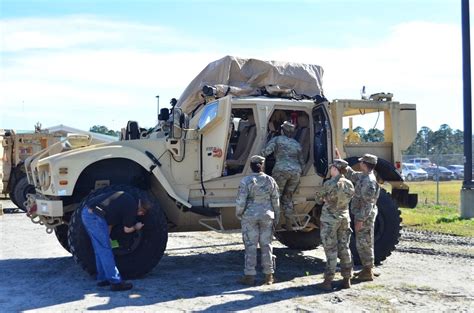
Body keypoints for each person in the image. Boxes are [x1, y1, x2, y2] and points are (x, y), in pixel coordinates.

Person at [81, 190, 150, 291]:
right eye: (141, 213)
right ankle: (115, 282)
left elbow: (110, 219)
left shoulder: (126, 197)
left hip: (88, 213)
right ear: (141, 209)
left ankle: (103, 278)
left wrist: (107, 236)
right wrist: (136, 226)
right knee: (105, 250)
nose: (140, 215)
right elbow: (127, 229)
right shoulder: (132, 207)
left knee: (100, 249)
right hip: (95, 216)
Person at [236, 155, 280, 286]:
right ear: (262, 165)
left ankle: (249, 276)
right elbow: (276, 200)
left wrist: (239, 214)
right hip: (267, 216)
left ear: (251, 166)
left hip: (250, 216)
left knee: (250, 245)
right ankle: (269, 276)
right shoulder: (270, 180)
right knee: (266, 245)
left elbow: (241, 201)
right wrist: (276, 215)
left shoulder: (246, 181)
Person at [337, 151, 380, 281]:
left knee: (363, 242)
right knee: (367, 241)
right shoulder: (365, 176)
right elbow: (352, 175)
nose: (359, 163)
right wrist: (341, 161)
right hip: (364, 214)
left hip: (364, 215)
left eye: (361, 162)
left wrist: (360, 219)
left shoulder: (369, 181)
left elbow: (368, 203)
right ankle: (369, 268)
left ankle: (367, 271)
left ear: (365, 164)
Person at [315, 159, 355, 291]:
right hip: (344, 218)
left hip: (330, 220)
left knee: (331, 249)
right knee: (344, 248)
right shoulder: (349, 184)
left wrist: (325, 199)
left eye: (332, 167)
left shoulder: (329, 183)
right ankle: (347, 279)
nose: (330, 169)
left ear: (336, 169)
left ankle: (328, 280)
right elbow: (350, 198)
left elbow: (318, 199)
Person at [261, 121, 304, 231]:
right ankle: (289, 223)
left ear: (282, 130)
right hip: (296, 172)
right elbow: (302, 161)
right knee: (288, 197)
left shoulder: (277, 140)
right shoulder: (296, 143)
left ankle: (275, 224)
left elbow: (266, 152)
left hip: (281, 170)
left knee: (276, 196)